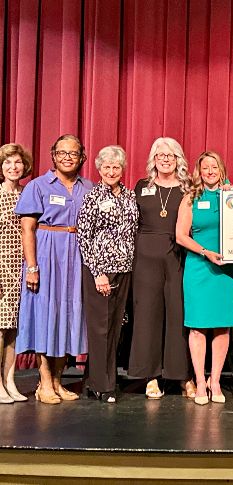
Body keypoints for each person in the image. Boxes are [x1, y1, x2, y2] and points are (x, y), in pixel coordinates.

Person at [15, 134, 94, 404]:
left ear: (82, 157)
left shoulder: (90, 187)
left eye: (73, 153)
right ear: (53, 155)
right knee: (46, 315)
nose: (68, 157)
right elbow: (27, 228)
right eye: (62, 153)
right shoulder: (38, 186)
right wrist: (32, 266)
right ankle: (44, 382)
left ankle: (59, 381)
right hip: (47, 254)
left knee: (69, 316)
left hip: (77, 255)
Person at [129, 137, 195, 400]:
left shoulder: (188, 188)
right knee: (147, 316)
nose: (165, 159)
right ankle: (151, 376)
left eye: (171, 155)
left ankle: (181, 376)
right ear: (153, 159)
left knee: (178, 315)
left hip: (177, 255)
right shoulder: (141, 186)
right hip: (144, 257)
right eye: (160, 155)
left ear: (178, 159)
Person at [77, 146, 138, 403]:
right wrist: (97, 272)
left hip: (124, 268)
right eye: (106, 167)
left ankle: (94, 380)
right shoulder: (92, 197)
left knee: (114, 327)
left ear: (122, 169)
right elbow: (84, 236)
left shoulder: (129, 196)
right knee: (100, 327)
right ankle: (105, 386)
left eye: (116, 167)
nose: (111, 171)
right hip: (100, 269)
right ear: (99, 169)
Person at [176, 151, 233, 405]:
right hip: (199, 268)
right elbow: (181, 236)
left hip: (226, 271)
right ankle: (200, 382)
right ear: (198, 172)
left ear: (221, 169)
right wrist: (205, 252)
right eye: (205, 167)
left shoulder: (231, 196)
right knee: (198, 327)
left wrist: (232, 197)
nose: (210, 171)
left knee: (222, 326)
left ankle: (216, 381)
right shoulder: (191, 198)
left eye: (215, 166)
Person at [0, 144, 33, 404]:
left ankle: (9, 380)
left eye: (18, 163)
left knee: (13, 329)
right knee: (0, 328)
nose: (14, 167)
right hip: (1, 267)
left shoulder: (27, 194)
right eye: (8, 163)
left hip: (21, 267)